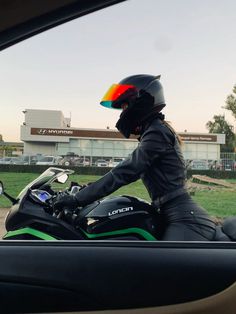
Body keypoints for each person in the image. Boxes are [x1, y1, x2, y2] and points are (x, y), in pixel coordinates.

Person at [54, 74, 216, 241]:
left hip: (186, 219)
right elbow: (123, 170)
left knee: (165, 265)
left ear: (140, 102)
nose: (123, 113)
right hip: (170, 213)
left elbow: (125, 172)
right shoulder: (153, 131)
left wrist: (77, 199)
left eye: (125, 106)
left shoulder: (156, 133)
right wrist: (85, 189)